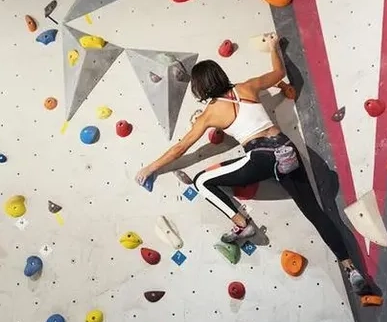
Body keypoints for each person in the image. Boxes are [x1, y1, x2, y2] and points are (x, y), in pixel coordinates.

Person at [135, 34, 368, 295]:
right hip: (286, 149)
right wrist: (274, 47)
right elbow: (279, 73)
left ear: (200, 88)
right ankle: (351, 269)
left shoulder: (210, 114)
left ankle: (241, 224)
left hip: (261, 157)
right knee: (316, 213)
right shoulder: (247, 87)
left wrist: (150, 168)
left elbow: (181, 148)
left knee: (201, 180)